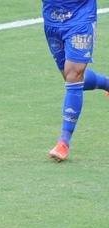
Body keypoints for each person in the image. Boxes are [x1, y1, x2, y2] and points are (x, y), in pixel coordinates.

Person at [42, 0, 109, 161]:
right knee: (70, 77)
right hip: (52, 18)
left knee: (73, 75)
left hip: (81, 17)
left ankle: (63, 142)